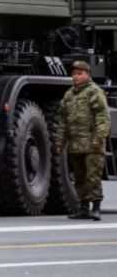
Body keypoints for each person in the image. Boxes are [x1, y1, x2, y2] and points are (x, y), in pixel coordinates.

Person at [54, 60, 111, 220]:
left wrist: (99, 138)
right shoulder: (69, 95)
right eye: (74, 74)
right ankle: (84, 207)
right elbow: (63, 122)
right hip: (76, 144)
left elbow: (103, 117)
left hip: (93, 144)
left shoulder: (95, 92)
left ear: (87, 75)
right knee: (79, 177)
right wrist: (60, 142)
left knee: (92, 176)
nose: (76, 77)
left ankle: (96, 208)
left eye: (79, 74)